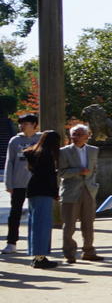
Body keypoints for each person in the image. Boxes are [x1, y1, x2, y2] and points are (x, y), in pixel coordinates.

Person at [57, 124, 101, 264]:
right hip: (71, 191)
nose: (76, 137)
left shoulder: (94, 150)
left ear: (87, 136)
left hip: (89, 190)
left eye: (80, 134)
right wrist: (78, 171)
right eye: (74, 134)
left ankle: (89, 251)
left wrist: (93, 184)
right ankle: (69, 253)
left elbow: (94, 170)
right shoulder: (63, 152)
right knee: (69, 224)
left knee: (89, 223)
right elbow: (61, 172)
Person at [22, 129, 61, 269]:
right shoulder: (47, 155)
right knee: (43, 225)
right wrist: (55, 192)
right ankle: (40, 257)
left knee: (35, 224)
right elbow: (50, 176)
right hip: (44, 191)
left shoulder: (33, 152)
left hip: (33, 190)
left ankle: (36, 255)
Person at [4, 112, 39, 254]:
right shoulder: (15, 140)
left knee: (36, 212)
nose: (22, 126)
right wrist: (8, 183)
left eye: (25, 123)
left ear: (34, 125)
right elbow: (9, 162)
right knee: (15, 213)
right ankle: (11, 242)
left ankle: (36, 242)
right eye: (21, 123)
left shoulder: (41, 139)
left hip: (36, 182)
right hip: (19, 182)